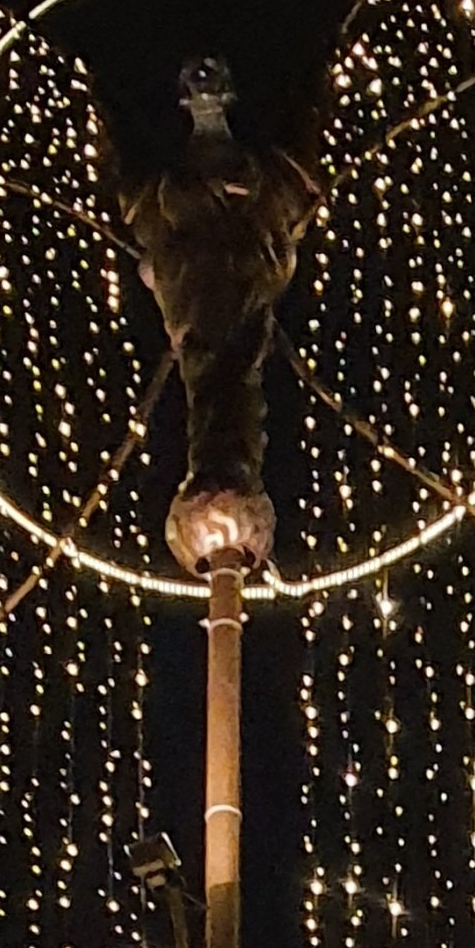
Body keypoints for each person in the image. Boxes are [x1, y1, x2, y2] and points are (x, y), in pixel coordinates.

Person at [120, 56, 320, 573]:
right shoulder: (167, 192)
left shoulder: (255, 182)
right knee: (215, 378)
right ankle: (219, 476)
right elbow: (151, 243)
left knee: (229, 380)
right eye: (197, 91)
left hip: (234, 294)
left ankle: (226, 476)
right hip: (199, 302)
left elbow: (286, 218)